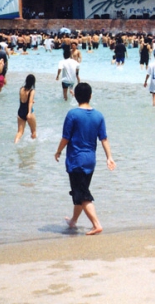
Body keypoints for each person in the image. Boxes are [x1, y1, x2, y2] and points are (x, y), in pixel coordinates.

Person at [54, 82, 115, 235]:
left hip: (76, 160)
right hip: (90, 160)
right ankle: (73, 221)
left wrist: (58, 151)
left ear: (75, 96)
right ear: (90, 96)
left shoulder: (72, 114)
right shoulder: (98, 115)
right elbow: (104, 139)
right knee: (80, 192)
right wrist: (109, 157)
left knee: (82, 195)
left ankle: (96, 224)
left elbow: (65, 138)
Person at [16, 74, 37, 143]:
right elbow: (30, 102)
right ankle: (33, 149)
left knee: (20, 132)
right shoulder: (32, 91)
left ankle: (15, 143)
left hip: (20, 111)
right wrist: (29, 113)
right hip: (28, 112)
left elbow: (23, 100)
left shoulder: (21, 89)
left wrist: (31, 100)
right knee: (33, 131)